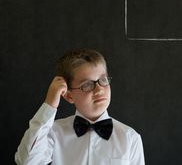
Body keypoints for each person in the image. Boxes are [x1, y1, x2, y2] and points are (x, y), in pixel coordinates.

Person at [15, 48, 145, 165]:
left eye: (103, 80)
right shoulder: (53, 133)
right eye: (87, 84)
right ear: (69, 96)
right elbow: (26, 161)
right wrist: (50, 104)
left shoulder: (130, 137)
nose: (99, 90)